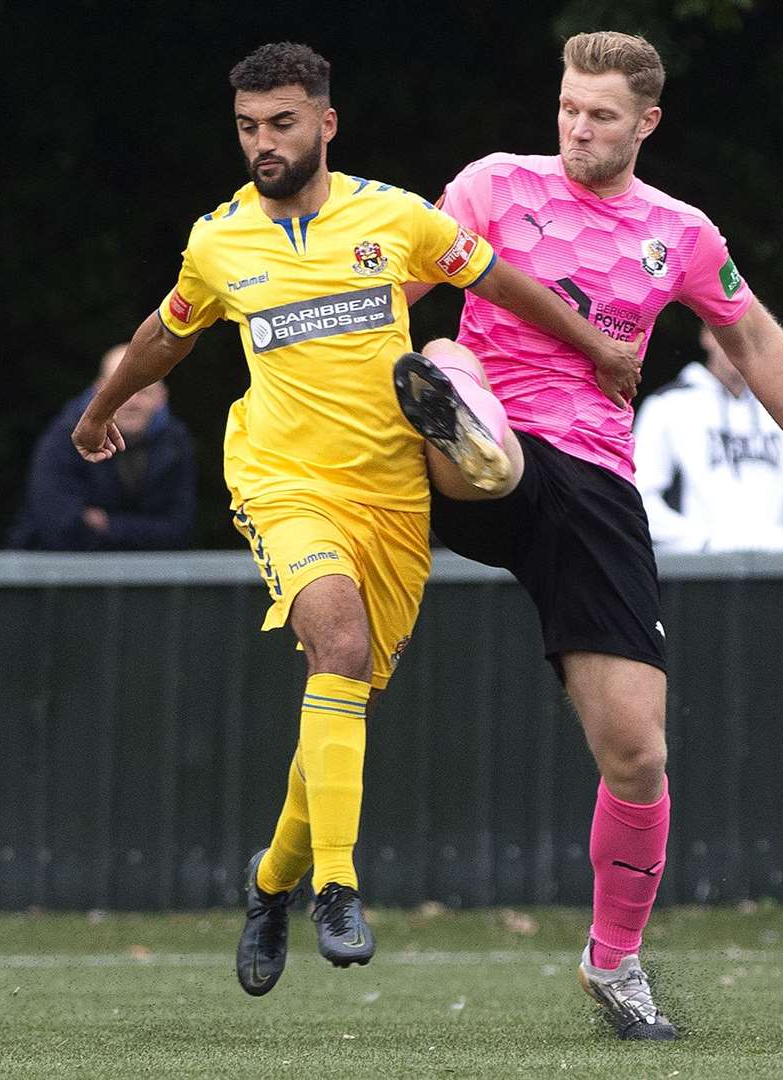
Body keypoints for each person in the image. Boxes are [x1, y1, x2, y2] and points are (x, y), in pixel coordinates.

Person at [70, 42, 639, 995]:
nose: (263, 142)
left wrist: (595, 346)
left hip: (389, 492)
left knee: (346, 694)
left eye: (282, 122)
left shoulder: (395, 218)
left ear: (325, 123)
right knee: (335, 642)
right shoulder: (218, 240)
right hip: (282, 481)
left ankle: (269, 882)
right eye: (249, 126)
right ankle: (336, 885)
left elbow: (495, 280)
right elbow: (166, 330)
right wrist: (96, 414)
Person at [393, 32, 783, 1039]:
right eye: (569, 107)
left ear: (647, 123)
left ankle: (615, 965)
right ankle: (458, 424)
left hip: (595, 487)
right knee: (439, 355)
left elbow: (756, 338)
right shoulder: (489, 186)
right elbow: (392, 287)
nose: (578, 128)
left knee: (637, 755)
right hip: (491, 447)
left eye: (602, 115)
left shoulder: (682, 234)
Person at [633, 324, 783, 551]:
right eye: (731, 329)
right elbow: (640, 498)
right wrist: (704, 543)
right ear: (707, 335)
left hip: (775, 574)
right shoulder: (667, 406)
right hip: (696, 573)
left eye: (752, 331)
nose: (741, 342)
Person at [7, 343, 196, 551]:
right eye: (122, 390)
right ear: (99, 391)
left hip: (146, 577)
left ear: (162, 396)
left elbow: (180, 529)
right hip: (55, 575)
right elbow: (60, 525)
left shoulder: (176, 441)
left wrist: (106, 524)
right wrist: (142, 531)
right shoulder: (65, 435)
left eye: (144, 391)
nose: (132, 402)